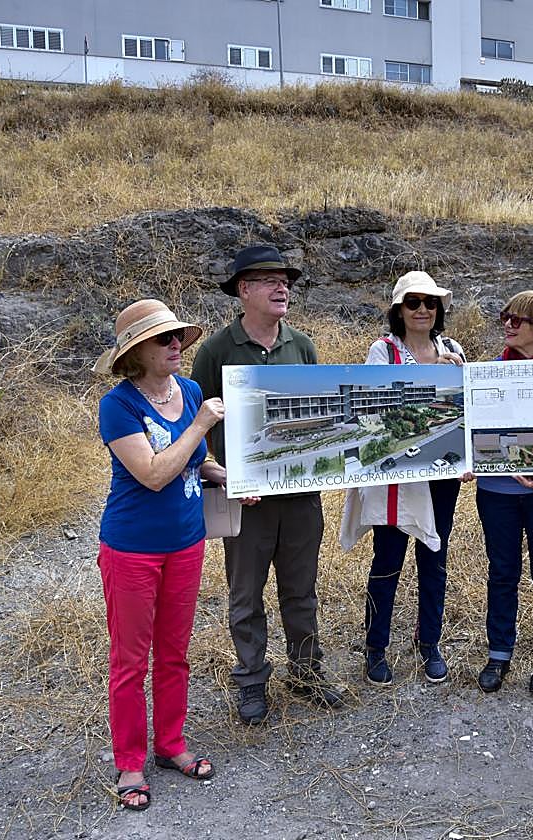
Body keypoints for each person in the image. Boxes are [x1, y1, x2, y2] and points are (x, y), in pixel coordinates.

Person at [190, 244, 343, 726]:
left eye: (286, 281)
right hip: (248, 499)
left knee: (301, 590)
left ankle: (306, 674)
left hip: (300, 495)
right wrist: (231, 472)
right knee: (245, 593)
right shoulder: (215, 350)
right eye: (269, 280)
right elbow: (202, 420)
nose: (283, 288)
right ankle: (252, 682)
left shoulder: (302, 345)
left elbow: (318, 413)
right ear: (243, 291)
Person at [93, 299, 225, 811]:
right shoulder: (119, 405)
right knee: (131, 660)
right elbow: (151, 473)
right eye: (163, 339)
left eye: (177, 337)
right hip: (132, 549)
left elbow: (197, 461)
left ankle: (170, 745)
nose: (176, 345)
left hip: (186, 542)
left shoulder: (189, 391)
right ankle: (129, 760)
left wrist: (228, 477)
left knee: (174, 653)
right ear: (137, 353)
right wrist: (200, 424)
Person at [339, 271, 466, 686]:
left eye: (430, 303)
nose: (423, 310)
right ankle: (376, 646)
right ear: (399, 309)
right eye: (414, 302)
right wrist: (429, 379)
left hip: (440, 472)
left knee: (435, 556)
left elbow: (462, 413)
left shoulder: (453, 350)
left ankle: (429, 641)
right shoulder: (383, 350)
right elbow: (375, 407)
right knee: (388, 559)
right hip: (396, 473)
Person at [470, 291, 533, 696]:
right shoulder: (486, 374)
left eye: (520, 319)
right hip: (496, 491)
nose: (509, 325)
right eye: (506, 317)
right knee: (502, 573)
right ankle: (499, 653)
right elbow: (478, 432)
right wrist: (510, 464)